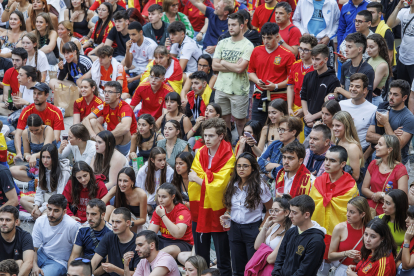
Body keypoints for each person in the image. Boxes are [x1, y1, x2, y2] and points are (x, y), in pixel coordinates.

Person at [188, 117, 234, 276]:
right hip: (200, 208)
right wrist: (208, 179)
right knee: (200, 256)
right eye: (205, 135)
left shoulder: (229, 156)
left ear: (221, 136)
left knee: (222, 257)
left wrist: (200, 180)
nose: (207, 139)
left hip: (218, 209)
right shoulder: (200, 152)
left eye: (211, 136)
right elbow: (194, 180)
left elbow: (221, 186)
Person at [221, 152, 273, 276]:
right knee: (237, 268)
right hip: (234, 228)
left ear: (253, 168)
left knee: (252, 267)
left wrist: (262, 228)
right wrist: (227, 214)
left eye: (245, 166)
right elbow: (229, 205)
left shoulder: (260, 185)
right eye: (239, 166)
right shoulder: (232, 184)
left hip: (253, 228)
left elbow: (270, 209)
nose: (241, 169)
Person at [310, 145, 359, 273]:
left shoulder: (350, 187)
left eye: (332, 161)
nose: (327, 163)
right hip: (318, 233)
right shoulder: (318, 181)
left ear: (343, 163)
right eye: (326, 159)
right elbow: (312, 207)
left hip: (340, 237)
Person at [212, 13, 254, 138]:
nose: (230, 27)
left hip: (239, 89)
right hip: (221, 88)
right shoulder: (222, 43)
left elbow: (240, 69)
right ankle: (227, 145)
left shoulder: (248, 45)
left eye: (234, 25)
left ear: (241, 26)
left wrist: (223, 62)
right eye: (229, 25)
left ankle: (242, 147)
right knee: (223, 121)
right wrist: (233, 66)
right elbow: (214, 66)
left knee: (240, 121)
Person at [248, 22, 296, 123]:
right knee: (256, 127)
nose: (265, 41)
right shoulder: (256, 51)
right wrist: (257, 80)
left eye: (269, 38)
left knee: (279, 128)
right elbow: (250, 72)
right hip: (259, 96)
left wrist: (276, 86)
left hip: (279, 98)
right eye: (263, 37)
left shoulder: (288, 54)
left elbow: (291, 80)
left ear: (277, 37)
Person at [271, 194, 326, 276]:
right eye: (290, 211)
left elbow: (305, 271)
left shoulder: (316, 241)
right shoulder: (291, 232)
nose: (290, 216)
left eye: (294, 213)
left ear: (306, 215)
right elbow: (280, 257)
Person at [31, 194, 81, 276]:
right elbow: (34, 249)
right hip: (41, 254)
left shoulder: (72, 226)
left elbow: (78, 251)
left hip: (59, 262)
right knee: (18, 266)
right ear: (46, 206)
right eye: (49, 209)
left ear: (64, 212)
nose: (51, 214)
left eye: (56, 211)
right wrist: (34, 266)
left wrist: (71, 270)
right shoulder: (40, 221)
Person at [367, 79, 414, 165]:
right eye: (390, 93)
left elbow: (398, 146)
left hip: (397, 164)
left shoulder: (409, 118)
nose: (391, 97)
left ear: (404, 97)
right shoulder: (383, 109)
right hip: (379, 161)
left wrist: (386, 123)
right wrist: (392, 136)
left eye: (395, 95)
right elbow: (369, 136)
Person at [83, 81, 137, 156]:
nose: (106, 94)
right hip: (110, 140)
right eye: (105, 91)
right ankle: (104, 147)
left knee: (121, 127)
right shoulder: (104, 105)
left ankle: (104, 148)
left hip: (125, 142)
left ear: (118, 95)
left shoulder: (125, 107)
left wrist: (105, 137)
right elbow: (86, 120)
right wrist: (93, 135)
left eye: (110, 92)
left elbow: (125, 128)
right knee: (92, 121)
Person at [19, 143, 71, 219]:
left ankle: (34, 217)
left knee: (47, 214)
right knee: (23, 200)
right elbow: (40, 190)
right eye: (43, 157)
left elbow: (59, 197)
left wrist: (41, 209)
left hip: (57, 202)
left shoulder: (63, 172)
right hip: (45, 198)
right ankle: (37, 216)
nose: (45, 161)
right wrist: (36, 206)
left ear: (54, 158)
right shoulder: (43, 168)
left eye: (48, 157)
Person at [362, 134, 408, 215]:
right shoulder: (374, 163)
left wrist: (383, 195)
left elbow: (402, 197)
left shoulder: (400, 169)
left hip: (389, 212)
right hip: (370, 210)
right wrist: (375, 195)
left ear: (389, 149)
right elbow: (364, 188)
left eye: (380, 144)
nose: (375, 146)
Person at [301, 44, 341, 138]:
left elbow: (331, 106)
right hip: (308, 123)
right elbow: (303, 97)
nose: (314, 62)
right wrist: (307, 117)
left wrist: (313, 117)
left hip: (323, 125)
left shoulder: (333, 80)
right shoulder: (308, 76)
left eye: (317, 59)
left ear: (326, 60)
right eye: (313, 58)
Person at [12, 83, 63, 155]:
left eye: (39, 94)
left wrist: (36, 154)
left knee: (56, 150)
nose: (35, 96)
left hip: (49, 142)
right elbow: (18, 134)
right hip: (32, 141)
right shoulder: (26, 110)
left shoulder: (56, 112)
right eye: (34, 93)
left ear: (47, 95)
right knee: (9, 145)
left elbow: (56, 138)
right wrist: (19, 153)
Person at [327, 196, 372, 276]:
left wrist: (361, 260)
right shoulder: (340, 228)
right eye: (347, 211)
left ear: (362, 214)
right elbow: (330, 256)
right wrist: (345, 253)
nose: (347, 214)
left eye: (352, 212)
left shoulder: (370, 231)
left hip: (363, 270)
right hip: (343, 270)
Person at [148, 183, 194, 260]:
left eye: (164, 197)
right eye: (159, 196)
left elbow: (178, 234)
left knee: (170, 250)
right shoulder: (158, 210)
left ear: (173, 196)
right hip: (165, 240)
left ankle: (152, 260)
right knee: (146, 244)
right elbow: (150, 233)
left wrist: (163, 215)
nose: (160, 200)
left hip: (183, 243)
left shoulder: (182, 211)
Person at [90, 207, 140, 276]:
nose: (114, 225)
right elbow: (94, 262)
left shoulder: (139, 243)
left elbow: (137, 274)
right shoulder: (108, 236)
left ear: (128, 223)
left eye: (118, 222)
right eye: (112, 221)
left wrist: (115, 269)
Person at [248, 195, 291, 274]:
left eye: (276, 210)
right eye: (272, 210)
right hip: (265, 268)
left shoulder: (289, 231)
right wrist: (265, 226)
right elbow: (257, 246)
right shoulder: (275, 225)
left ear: (286, 212)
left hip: (277, 271)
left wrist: (262, 253)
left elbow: (271, 259)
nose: (272, 214)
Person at [339, 74, 377, 162]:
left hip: (361, 152)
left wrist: (364, 158)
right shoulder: (341, 104)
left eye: (357, 86)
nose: (353, 89)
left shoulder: (373, 109)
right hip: (341, 152)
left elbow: (373, 141)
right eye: (351, 86)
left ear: (365, 90)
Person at [10, 114, 55, 183]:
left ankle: (40, 181)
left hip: (50, 162)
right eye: (31, 130)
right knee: (12, 170)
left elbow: (46, 150)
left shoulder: (48, 130)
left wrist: (34, 155)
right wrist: (28, 156)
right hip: (36, 164)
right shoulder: (25, 132)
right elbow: (26, 152)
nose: (34, 132)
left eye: (37, 130)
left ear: (41, 125)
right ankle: (38, 182)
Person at [103, 167, 148, 233]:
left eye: (125, 181)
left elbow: (143, 220)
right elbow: (101, 203)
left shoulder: (141, 194)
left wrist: (129, 223)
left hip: (136, 224)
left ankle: (110, 236)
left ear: (132, 182)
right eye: (120, 180)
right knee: (109, 208)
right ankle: (103, 234)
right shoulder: (116, 189)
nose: (121, 184)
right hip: (120, 220)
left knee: (116, 211)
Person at [68, 199, 111, 263]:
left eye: (93, 214)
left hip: (104, 268)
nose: (89, 218)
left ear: (102, 215)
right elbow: (74, 256)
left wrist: (92, 273)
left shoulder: (112, 231)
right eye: (87, 214)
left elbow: (109, 262)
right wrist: (69, 272)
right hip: (86, 266)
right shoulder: (82, 229)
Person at [335, 33, 375, 102]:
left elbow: (362, 97)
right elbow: (341, 88)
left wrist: (340, 90)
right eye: (346, 46)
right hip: (346, 105)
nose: (345, 50)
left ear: (360, 49)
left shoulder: (368, 70)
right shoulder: (345, 66)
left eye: (349, 47)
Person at [287, 35, 318, 120]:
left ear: (313, 50)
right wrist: (289, 108)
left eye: (306, 50)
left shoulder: (317, 68)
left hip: (312, 108)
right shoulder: (295, 65)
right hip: (295, 107)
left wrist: (304, 109)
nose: (302, 52)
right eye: (300, 48)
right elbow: (290, 87)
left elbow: (317, 93)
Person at [136, 147, 174, 213]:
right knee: (140, 211)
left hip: (163, 202)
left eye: (164, 159)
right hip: (147, 202)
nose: (163, 163)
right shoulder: (143, 170)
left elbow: (171, 190)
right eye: (160, 160)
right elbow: (138, 189)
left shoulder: (169, 171)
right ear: (152, 160)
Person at [124, 21, 157, 95]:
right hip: (134, 71)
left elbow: (149, 71)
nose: (131, 37)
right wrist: (127, 50)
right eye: (129, 35)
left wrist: (133, 79)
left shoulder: (150, 45)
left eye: (134, 34)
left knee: (128, 86)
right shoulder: (131, 43)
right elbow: (128, 65)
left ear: (141, 32)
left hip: (145, 75)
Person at [387, 0, 414, 87]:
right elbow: (389, 25)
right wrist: (398, 7)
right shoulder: (403, 12)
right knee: (402, 88)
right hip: (403, 58)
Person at [332, 111, 364, 184]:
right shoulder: (338, 141)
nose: (334, 128)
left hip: (347, 187)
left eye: (337, 125)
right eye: (333, 125)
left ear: (347, 126)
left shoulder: (352, 147)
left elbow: (355, 176)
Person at [0, 206, 34, 275]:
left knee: (20, 262)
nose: (3, 223)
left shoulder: (25, 236)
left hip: (16, 272)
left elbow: (28, 263)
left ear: (16, 222)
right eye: (1, 219)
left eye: (8, 220)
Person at [183, 70, 215, 143]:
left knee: (190, 140)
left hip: (209, 128)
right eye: (192, 83)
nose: (193, 86)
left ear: (204, 84)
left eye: (196, 83)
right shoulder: (192, 95)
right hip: (197, 125)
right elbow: (187, 114)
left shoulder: (212, 96)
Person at [366, 33, 392, 107]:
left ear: (379, 48)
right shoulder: (369, 59)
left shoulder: (382, 65)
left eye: (371, 47)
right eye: (367, 47)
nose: (368, 50)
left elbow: (371, 87)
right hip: (367, 97)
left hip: (374, 100)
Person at [366, 2, 395, 66]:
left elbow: (389, 55)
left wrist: (385, 72)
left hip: (380, 68)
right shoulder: (365, 28)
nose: (369, 15)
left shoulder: (386, 31)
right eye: (368, 13)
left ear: (379, 14)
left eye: (372, 13)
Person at [1, 47, 26, 116]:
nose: (14, 63)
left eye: (17, 60)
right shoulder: (9, 72)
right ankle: (14, 116)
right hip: (14, 102)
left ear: (25, 60)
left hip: (26, 103)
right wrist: (7, 101)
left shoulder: (30, 72)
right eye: (13, 60)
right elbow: (6, 94)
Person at [396, 205, 414, 274]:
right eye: (407, 216)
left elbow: (406, 265)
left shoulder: (408, 237)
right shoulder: (410, 235)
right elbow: (397, 260)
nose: (406, 220)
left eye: (411, 218)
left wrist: (406, 241)